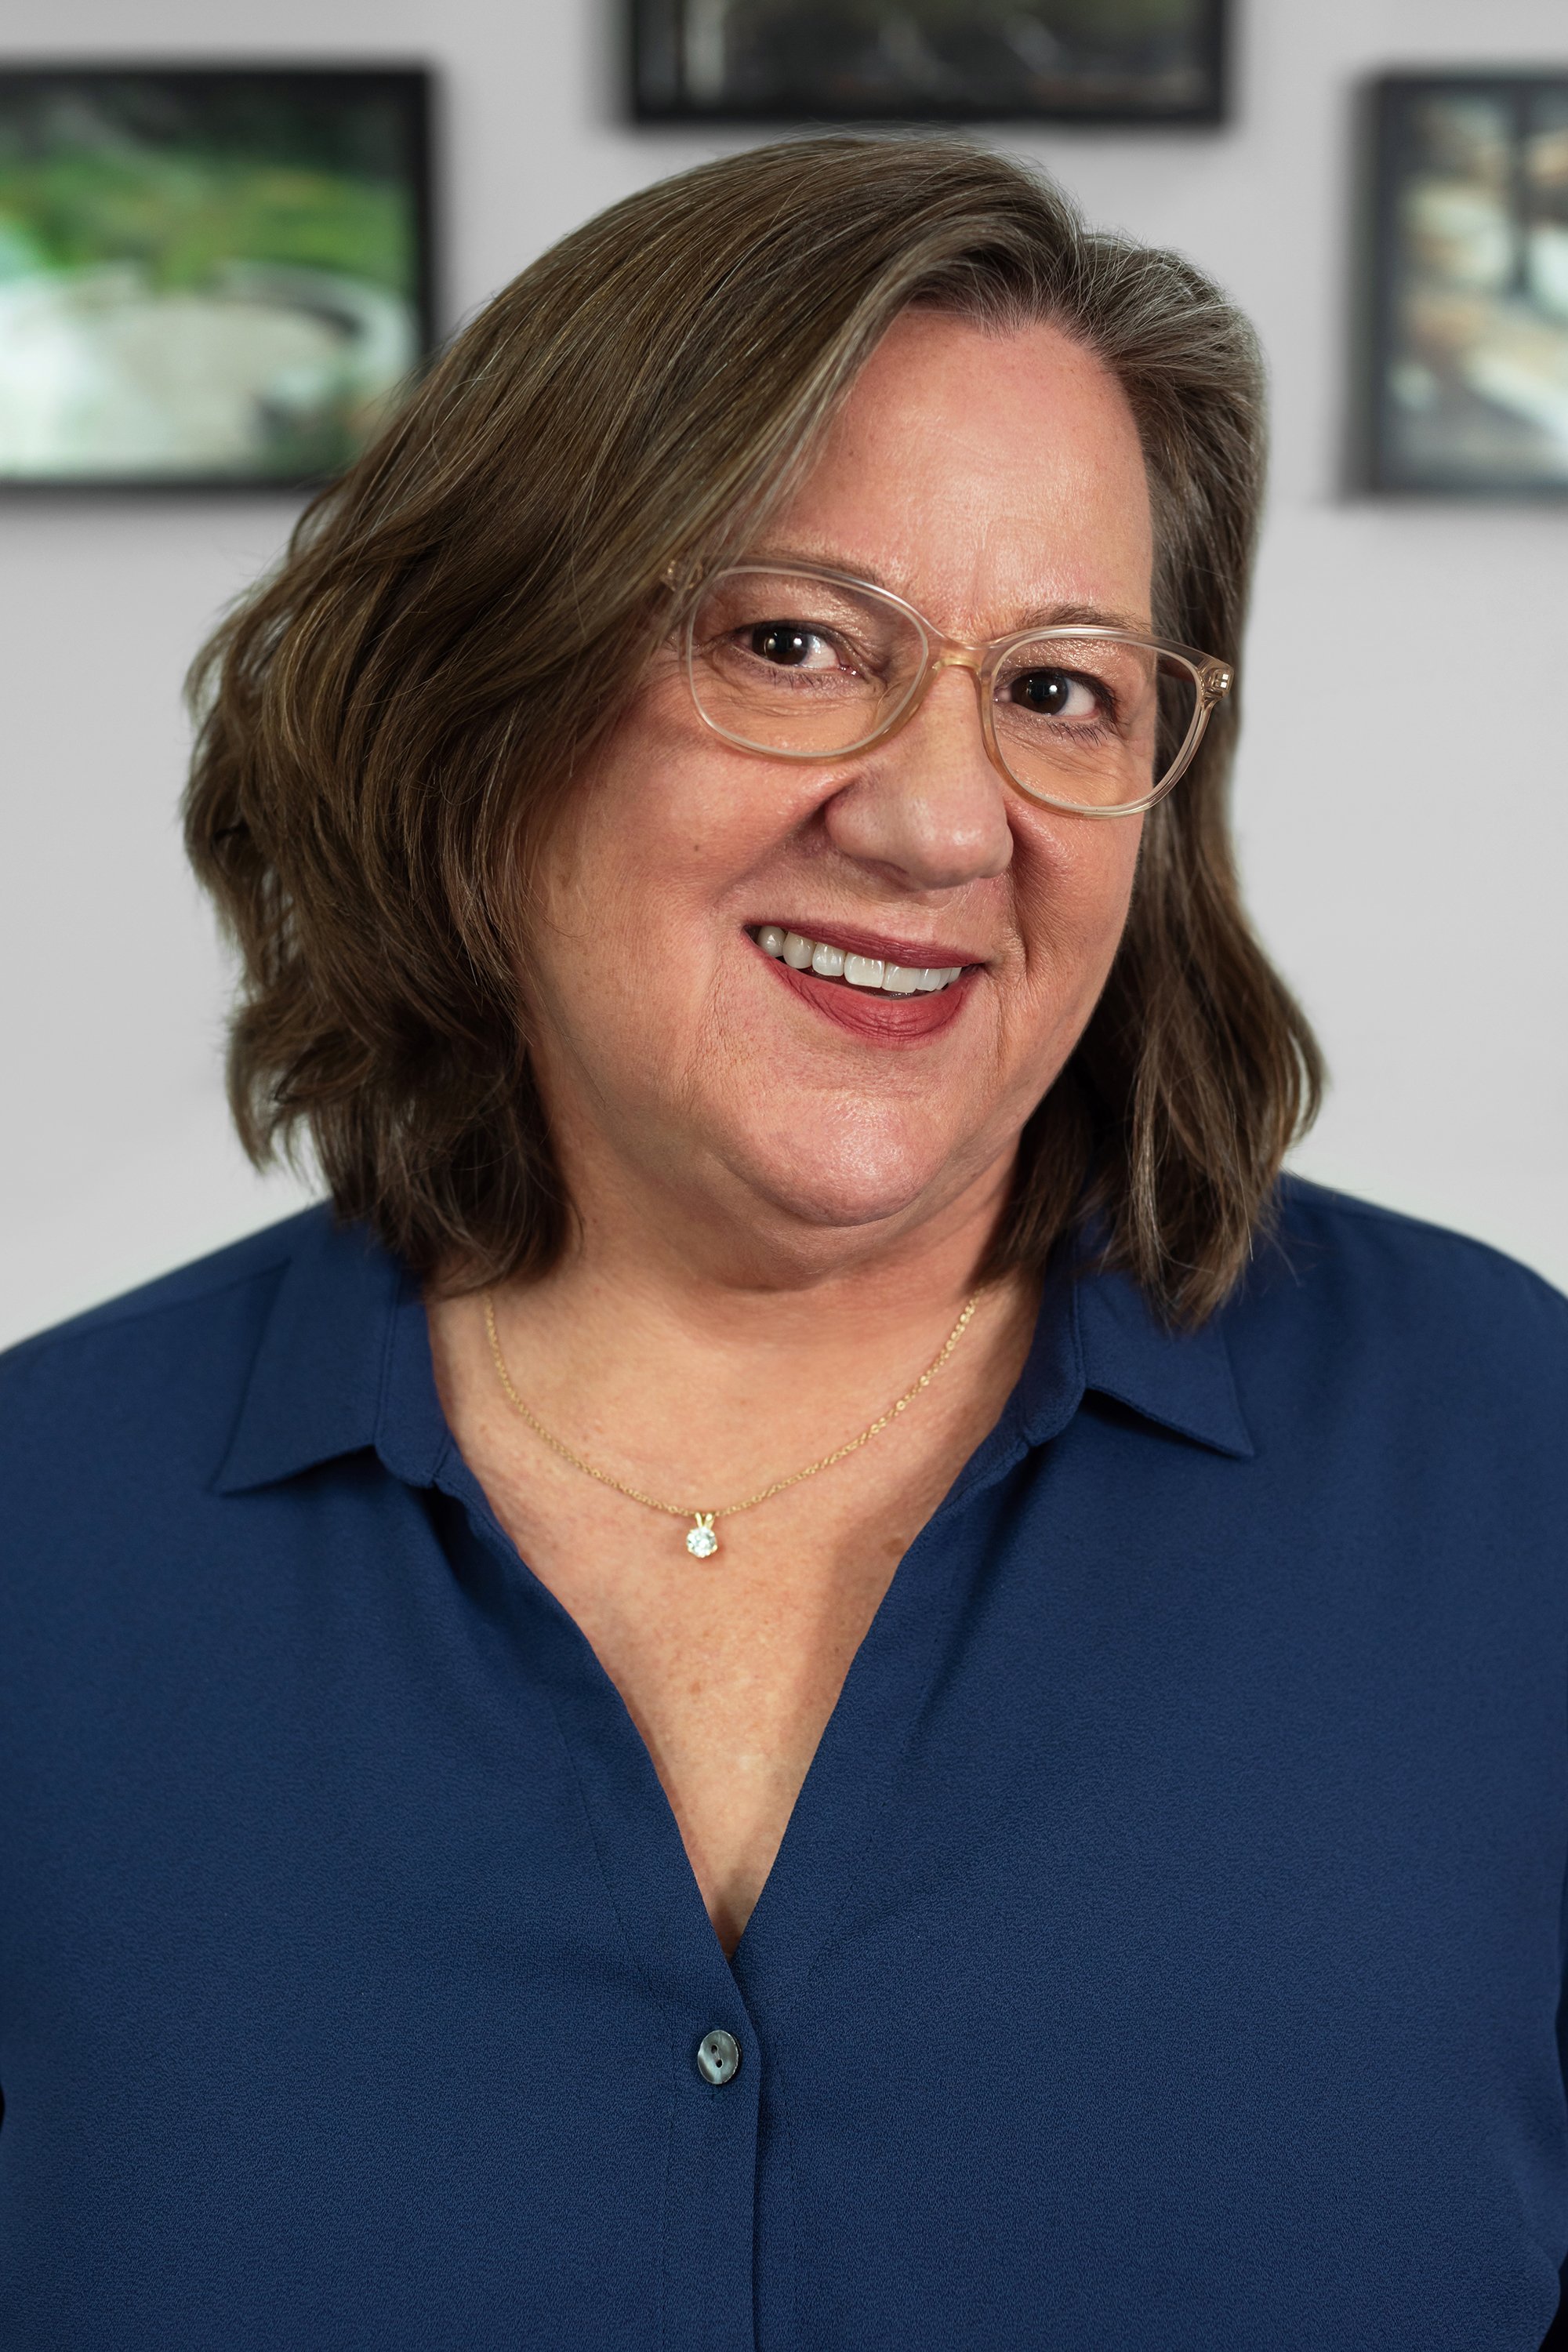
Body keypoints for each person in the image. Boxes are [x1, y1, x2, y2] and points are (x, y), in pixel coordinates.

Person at [2, 134, 1565, 2352]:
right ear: (484, 702)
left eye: (1059, 689)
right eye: (793, 639)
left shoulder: (1518, 1468)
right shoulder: (39, 1529)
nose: (939, 821)